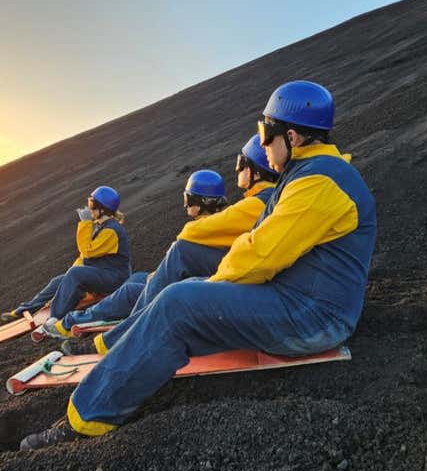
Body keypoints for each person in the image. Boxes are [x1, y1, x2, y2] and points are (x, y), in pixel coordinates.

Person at [20, 80, 377, 450]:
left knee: (180, 303)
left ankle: (85, 420)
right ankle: (119, 353)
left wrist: (210, 287)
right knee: (182, 296)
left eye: (265, 135)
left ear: (292, 137)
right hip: (302, 300)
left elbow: (261, 255)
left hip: (314, 317)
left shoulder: (319, 183)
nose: (263, 145)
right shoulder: (312, 175)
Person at [61, 136, 278, 355]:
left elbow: (189, 235)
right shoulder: (258, 201)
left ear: (255, 171)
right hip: (234, 270)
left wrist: (84, 225)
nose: (238, 170)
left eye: (241, 164)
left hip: (235, 276)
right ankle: (118, 325)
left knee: (156, 270)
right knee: (139, 280)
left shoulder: (258, 202)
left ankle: (109, 335)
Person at [57, 169, 231, 337]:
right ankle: (105, 311)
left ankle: (69, 323)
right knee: (137, 279)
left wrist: (85, 224)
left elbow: (87, 251)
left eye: (188, 198)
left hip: (185, 290)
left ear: (199, 202)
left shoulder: (195, 231)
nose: (185, 203)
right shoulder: (226, 222)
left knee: (128, 292)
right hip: (196, 283)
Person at [35, 186, 132, 338]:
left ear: (103, 209)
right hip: (105, 273)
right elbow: (86, 256)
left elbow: (87, 251)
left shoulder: (111, 231)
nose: (89, 208)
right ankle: (61, 310)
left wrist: (85, 223)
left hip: (115, 278)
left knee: (75, 274)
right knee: (64, 278)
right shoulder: (102, 227)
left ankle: (55, 319)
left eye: (92, 204)